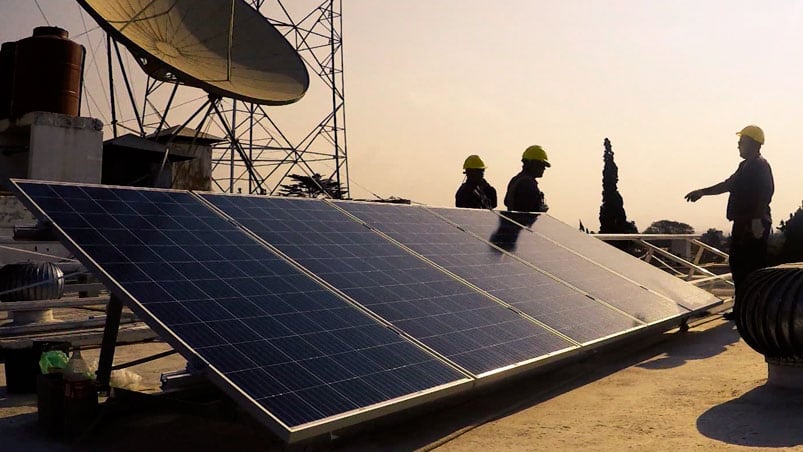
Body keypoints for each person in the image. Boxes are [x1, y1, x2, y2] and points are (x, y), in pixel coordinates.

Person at [685, 125, 774, 320]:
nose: (738, 146)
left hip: (753, 224)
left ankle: (754, 309)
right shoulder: (746, 166)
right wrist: (702, 192)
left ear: (753, 144)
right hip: (744, 223)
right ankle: (743, 308)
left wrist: (757, 220)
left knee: (752, 266)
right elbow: (728, 185)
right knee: (739, 265)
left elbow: (765, 193)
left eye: (742, 142)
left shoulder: (760, 165)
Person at [504, 145, 551, 212]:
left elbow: (507, 202)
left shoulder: (516, 179)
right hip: (523, 221)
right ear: (532, 164)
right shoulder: (527, 184)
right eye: (541, 165)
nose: (544, 168)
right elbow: (528, 209)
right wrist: (540, 209)